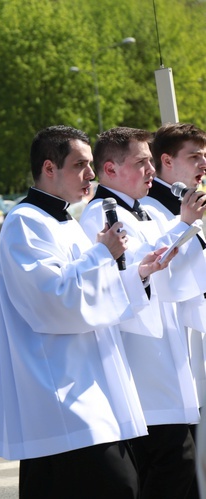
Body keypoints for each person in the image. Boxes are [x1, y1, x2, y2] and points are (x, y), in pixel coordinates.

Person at [0, 125, 172, 498]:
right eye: (80, 165)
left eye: (90, 165)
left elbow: (95, 290)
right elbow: (54, 301)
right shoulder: (24, 223)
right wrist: (103, 253)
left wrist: (138, 274)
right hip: (59, 384)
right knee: (118, 485)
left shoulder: (66, 221)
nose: (90, 174)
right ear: (49, 168)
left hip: (90, 380)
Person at [79, 127, 206, 498]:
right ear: (110, 170)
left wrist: (186, 230)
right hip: (140, 359)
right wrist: (182, 226)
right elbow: (134, 278)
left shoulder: (146, 210)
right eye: (141, 162)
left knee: (179, 464)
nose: (151, 170)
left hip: (168, 351)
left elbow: (180, 273)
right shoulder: (100, 215)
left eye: (151, 161)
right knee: (171, 463)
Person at [142, 122, 206, 498]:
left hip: (194, 350)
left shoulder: (188, 205)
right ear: (166, 160)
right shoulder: (153, 211)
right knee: (175, 468)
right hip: (168, 350)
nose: (203, 164)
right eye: (194, 157)